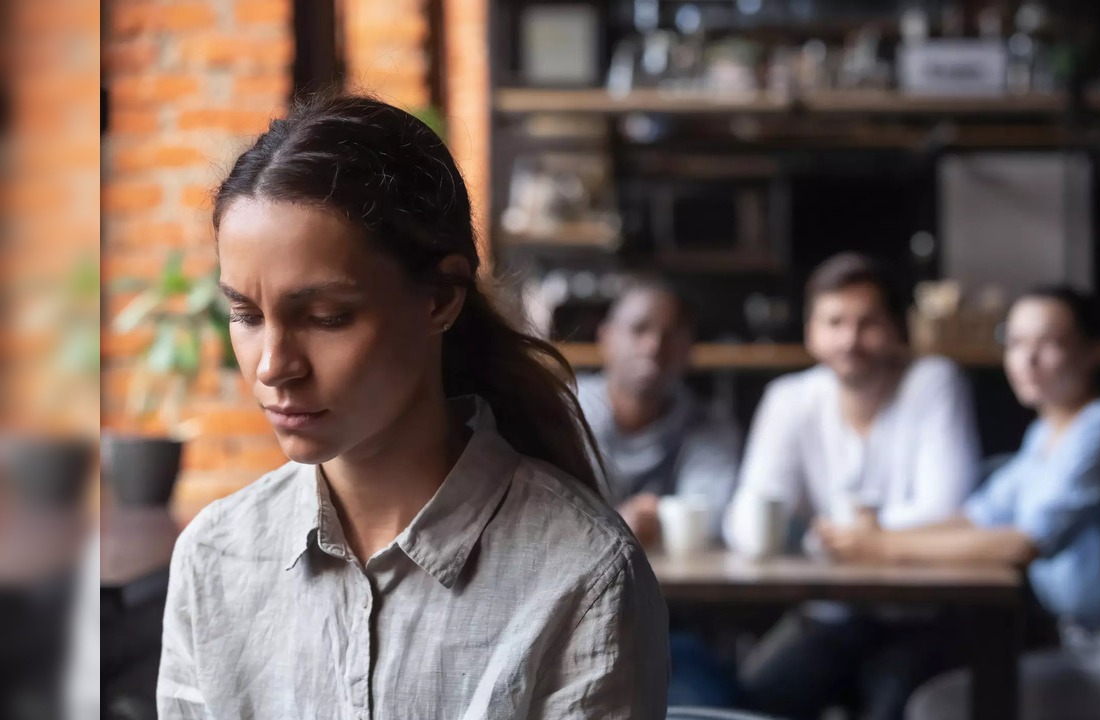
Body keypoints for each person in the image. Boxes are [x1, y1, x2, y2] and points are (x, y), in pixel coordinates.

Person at [157, 94, 669, 719]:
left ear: (440, 298)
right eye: (246, 315)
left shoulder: (582, 575)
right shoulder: (215, 556)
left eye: (325, 318)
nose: (272, 366)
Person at [817, 287, 1100, 720]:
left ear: (1089, 353)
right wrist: (875, 536)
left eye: (1050, 344)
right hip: (1079, 650)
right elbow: (975, 516)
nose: (1028, 360)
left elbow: (1023, 543)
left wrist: (883, 547)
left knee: (938, 707)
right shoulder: (1042, 436)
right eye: (1017, 342)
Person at [725, 253, 981, 720]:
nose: (849, 339)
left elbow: (949, 509)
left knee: (892, 705)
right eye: (834, 321)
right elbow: (748, 514)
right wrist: (785, 527)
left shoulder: (934, 381)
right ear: (810, 331)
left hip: (922, 616)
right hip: (830, 612)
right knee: (750, 704)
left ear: (897, 328)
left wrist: (834, 535)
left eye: (868, 322)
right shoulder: (790, 398)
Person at [576, 277, 742, 707]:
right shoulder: (562, 411)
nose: (653, 347)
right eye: (639, 330)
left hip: (676, 625)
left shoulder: (709, 425)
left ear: (689, 349)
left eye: (671, 335)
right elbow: (551, 516)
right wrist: (624, 524)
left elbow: (714, 516)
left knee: (707, 702)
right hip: (574, 617)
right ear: (606, 337)